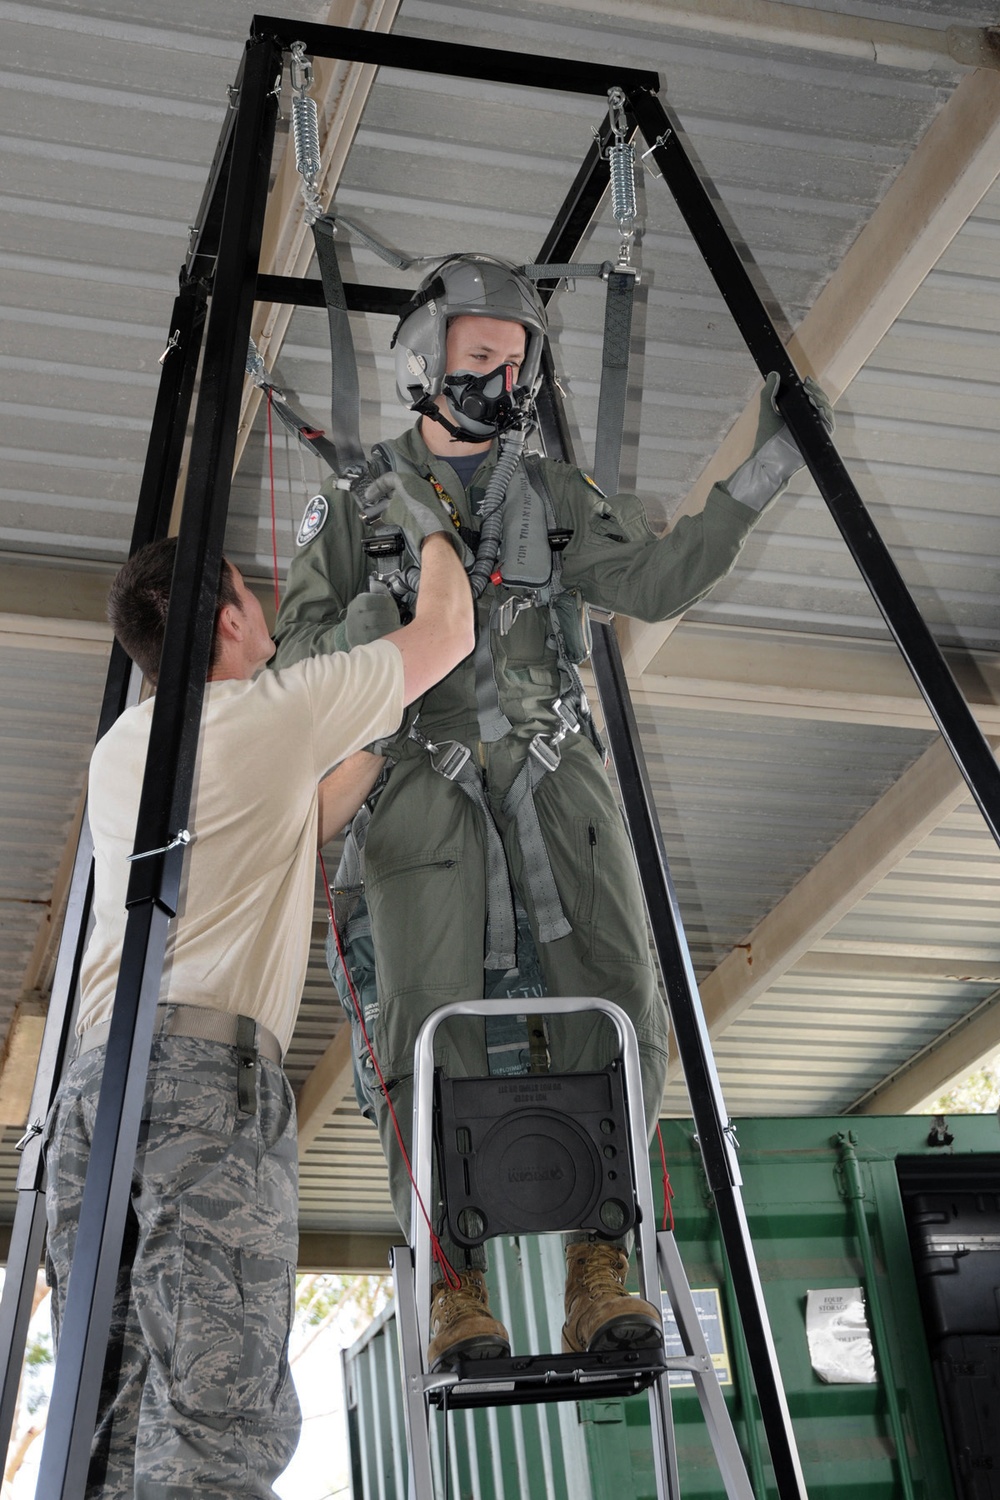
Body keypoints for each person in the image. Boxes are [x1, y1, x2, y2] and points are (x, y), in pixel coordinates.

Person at [273, 253, 831, 1371]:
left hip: (553, 777)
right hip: (418, 790)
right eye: (483, 357)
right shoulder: (355, 502)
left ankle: (600, 1268)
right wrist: (389, 616)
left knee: (619, 1002)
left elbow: (659, 579)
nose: (505, 380)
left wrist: (773, 462)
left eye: (519, 361)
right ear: (427, 362)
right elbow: (295, 657)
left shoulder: (552, 497)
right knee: (426, 1027)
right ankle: (455, 1288)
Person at [42, 523, 473, 1499]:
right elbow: (447, 633)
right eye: (252, 589)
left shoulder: (126, 752)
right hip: (202, 1090)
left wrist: (373, 741)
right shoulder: (269, 712)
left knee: (115, 1411)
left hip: (96, 1098)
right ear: (231, 618)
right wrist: (443, 530)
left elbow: (286, 826)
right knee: (215, 1403)